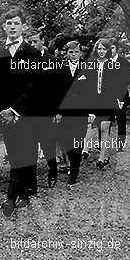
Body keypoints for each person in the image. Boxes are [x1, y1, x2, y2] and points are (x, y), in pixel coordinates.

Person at [0, 8, 41, 217]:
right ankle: (23, 193)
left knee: (23, 153)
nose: (12, 27)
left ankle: (11, 196)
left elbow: (34, 86)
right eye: (8, 23)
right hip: (4, 115)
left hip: (25, 112)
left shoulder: (32, 53)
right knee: (17, 153)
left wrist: (14, 109)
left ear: (23, 27)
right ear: (4, 27)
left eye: (16, 23)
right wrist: (1, 111)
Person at [82, 38, 130, 169]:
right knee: (91, 125)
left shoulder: (113, 65)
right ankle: (88, 150)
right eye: (99, 49)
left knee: (104, 128)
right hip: (93, 101)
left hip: (107, 100)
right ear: (96, 50)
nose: (102, 51)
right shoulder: (91, 64)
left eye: (104, 49)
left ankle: (102, 157)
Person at [26, 27, 59, 189]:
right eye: (29, 42)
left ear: (42, 42)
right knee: (30, 146)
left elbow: (58, 89)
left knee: (47, 144)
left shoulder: (52, 60)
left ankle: (53, 170)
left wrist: (57, 111)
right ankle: (31, 183)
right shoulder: (23, 61)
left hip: (47, 110)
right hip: (28, 111)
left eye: (35, 41)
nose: (32, 44)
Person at [54, 40, 89, 184]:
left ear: (80, 53)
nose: (73, 55)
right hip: (64, 111)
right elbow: (56, 93)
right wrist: (57, 111)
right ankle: (73, 159)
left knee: (78, 141)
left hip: (81, 111)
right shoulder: (61, 68)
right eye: (71, 52)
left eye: (76, 52)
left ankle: (74, 171)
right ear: (66, 53)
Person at [111, 42, 130, 154]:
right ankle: (102, 143)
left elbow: (126, 80)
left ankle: (120, 144)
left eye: (113, 48)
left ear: (117, 49)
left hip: (121, 96)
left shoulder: (124, 62)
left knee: (121, 121)